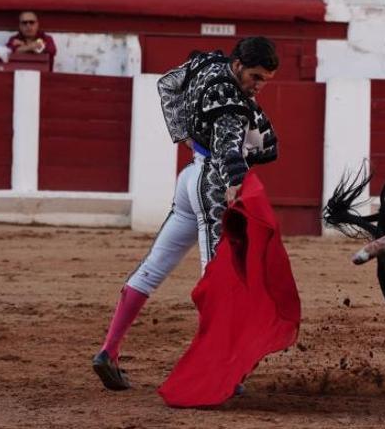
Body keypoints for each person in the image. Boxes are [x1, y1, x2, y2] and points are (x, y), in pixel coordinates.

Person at [92, 37, 280, 391]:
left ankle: (108, 351)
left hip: (190, 177)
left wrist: (184, 135)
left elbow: (168, 84)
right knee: (218, 276)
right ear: (238, 65)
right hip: (210, 183)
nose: (259, 86)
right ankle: (222, 367)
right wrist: (236, 182)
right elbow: (229, 148)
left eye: (265, 80)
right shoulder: (230, 101)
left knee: (154, 266)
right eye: (255, 77)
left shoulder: (207, 65)